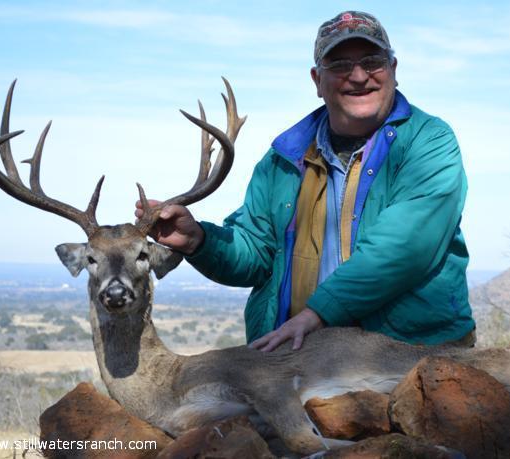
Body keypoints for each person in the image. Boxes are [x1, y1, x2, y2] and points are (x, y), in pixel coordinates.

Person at [136, 11, 475, 352]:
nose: (359, 76)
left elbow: (403, 247)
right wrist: (199, 240)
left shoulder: (428, 142)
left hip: (410, 352)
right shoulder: (283, 159)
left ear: (393, 70)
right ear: (317, 80)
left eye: (373, 62)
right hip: (304, 358)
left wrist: (317, 314)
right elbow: (255, 252)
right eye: (340, 65)